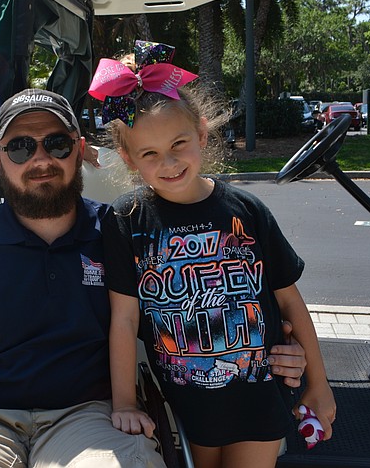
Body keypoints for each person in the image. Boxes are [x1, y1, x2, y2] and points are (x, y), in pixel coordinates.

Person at [0, 88, 308, 468]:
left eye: (56, 143)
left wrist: (279, 342)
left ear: (80, 149)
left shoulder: (123, 233)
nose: (40, 159)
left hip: (91, 414)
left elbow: (211, 296)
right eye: (21, 147)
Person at [89, 42, 336, 468]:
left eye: (179, 143)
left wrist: (320, 383)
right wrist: (125, 402)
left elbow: (289, 299)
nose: (168, 162)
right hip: (188, 402)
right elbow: (125, 319)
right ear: (129, 159)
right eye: (149, 153)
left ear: (202, 135)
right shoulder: (125, 220)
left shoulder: (248, 210)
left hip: (259, 393)